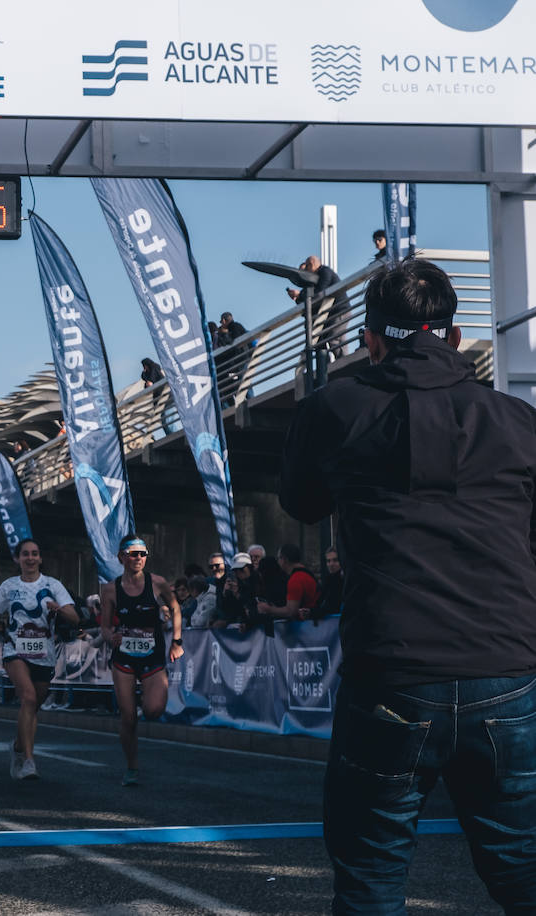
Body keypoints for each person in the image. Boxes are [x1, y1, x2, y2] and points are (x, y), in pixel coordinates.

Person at [280, 257, 536, 913]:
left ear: (369, 336)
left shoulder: (333, 410)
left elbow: (303, 504)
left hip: (391, 672)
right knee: (522, 872)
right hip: (505, 668)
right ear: (452, 335)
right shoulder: (517, 422)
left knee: (371, 877)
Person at [0, 538, 82, 781]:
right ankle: (29, 761)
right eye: (25, 554)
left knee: (32, 706)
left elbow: (75, 617)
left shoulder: (52, 585)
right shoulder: (9, 586)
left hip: (44, 654)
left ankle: (19, 746)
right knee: (28, 697)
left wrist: (58, 608)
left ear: (40, 559)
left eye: (34, 554)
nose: (30, 558)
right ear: (18, 559)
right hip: (14, 651)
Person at [100, 535, 182, 787]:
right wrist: (110, 636)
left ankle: (143, 703)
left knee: (153, 710)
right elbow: (104, 626)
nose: (138, 558)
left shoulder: (157, 583)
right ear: (121, 557)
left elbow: (176, 608)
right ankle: (132, 766)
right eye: (133, 554)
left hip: (153, 654)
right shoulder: (110, 589)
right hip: (124, 656)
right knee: (128, 718)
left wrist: (177, 641)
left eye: (142, 554)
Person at [255, 543, 318, 622]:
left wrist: (268, 609)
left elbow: (290, 611)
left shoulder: (296, 580)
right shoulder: (306, 573)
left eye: (279, 558)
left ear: (285, 560)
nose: (278, 562)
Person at [314, 546, 343, 619]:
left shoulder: (343, 579)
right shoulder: (329, 579)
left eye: (335, 560)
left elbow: (332, 604)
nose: (331, 564)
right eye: (328, 561)